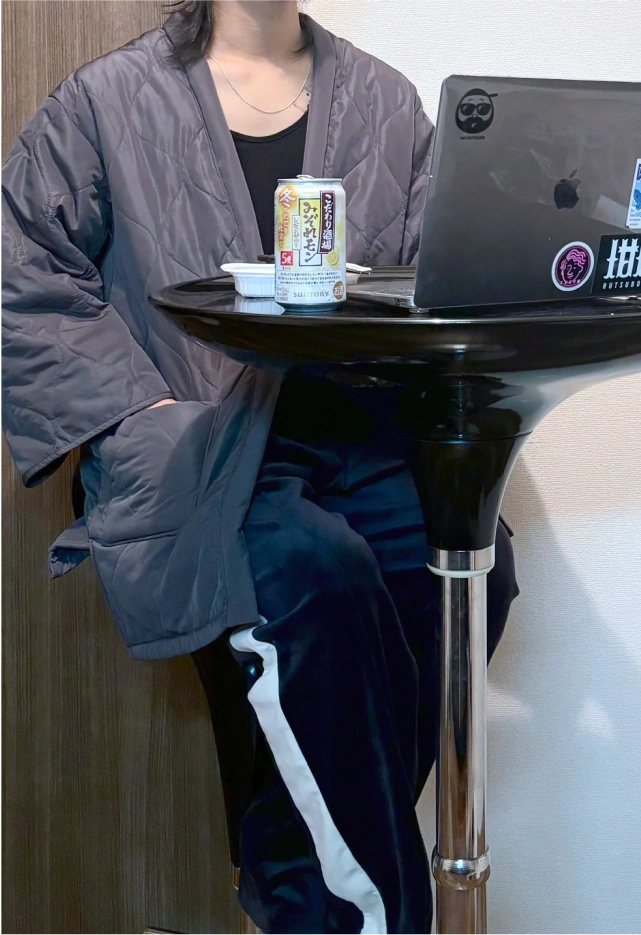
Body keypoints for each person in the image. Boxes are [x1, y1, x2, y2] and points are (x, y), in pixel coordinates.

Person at [0, 1, 519, 932]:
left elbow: (431, 276)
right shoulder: (108, 100)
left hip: (356, 430)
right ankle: (365, 914)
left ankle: (287, 863)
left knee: (474, 564)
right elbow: (20, 269)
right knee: (317, 573)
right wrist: (136, 410)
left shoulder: (385, 101)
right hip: (203, 438)